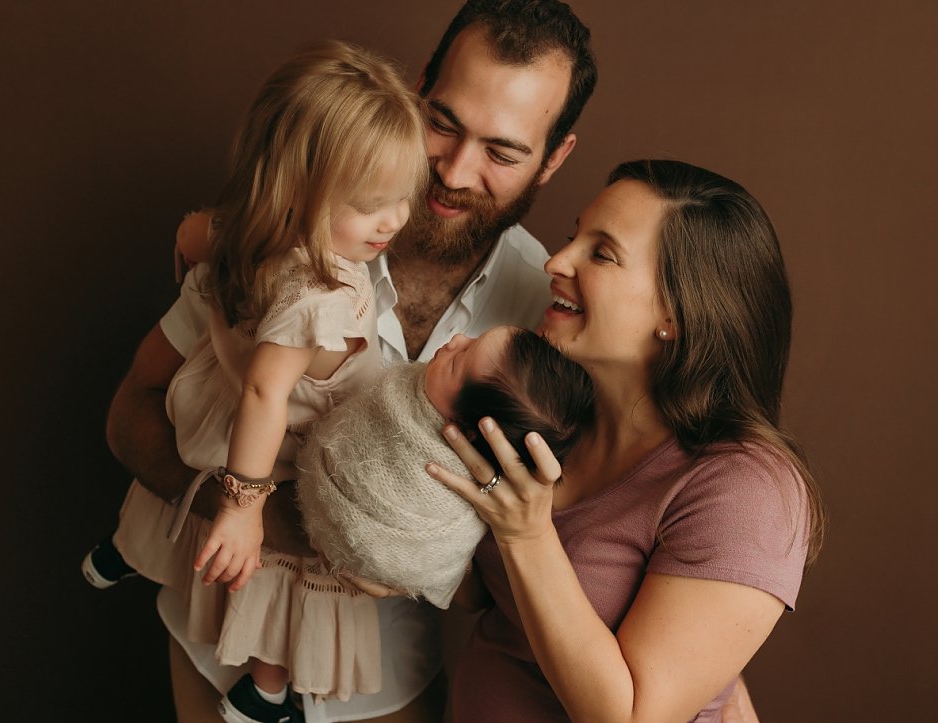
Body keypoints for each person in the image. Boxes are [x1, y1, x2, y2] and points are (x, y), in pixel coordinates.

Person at [103, 2, 598, 721]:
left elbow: (513, 567)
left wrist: (392, 554)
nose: (455, 171)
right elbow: (129, 416)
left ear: (554, 156)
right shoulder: (294, 235)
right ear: (416, 87)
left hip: (384, 686)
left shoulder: (545, 322)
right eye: (444, 122)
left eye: (503, 151)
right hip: (213, 647)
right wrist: (243, 511)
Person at [89, 39, 429, 722]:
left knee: (198, 467)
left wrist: (196, 233)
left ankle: (136, 559)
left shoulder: (255, 236)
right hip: (275, 429)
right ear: (298, 193)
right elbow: (267, 394)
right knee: (278, 555)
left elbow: (213, 234)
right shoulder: (322, 295)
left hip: (231, 407)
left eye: (402, 198)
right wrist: (244, 507)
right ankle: (267, 685)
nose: (392, 221)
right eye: (370, 204)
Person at [428, 159, 826, 721]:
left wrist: (526, 534)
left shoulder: (747, 489)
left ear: (676, 313)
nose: (555, 261)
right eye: (573, 238)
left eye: (601, 253)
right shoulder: (558, 417)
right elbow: (477, 597)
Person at [297, 326, 589, 608]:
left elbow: (446, 563)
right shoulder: (422, 391)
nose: (457, 339)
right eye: (473, 339)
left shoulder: (469, 487)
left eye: (458, 361)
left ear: (467, 429)